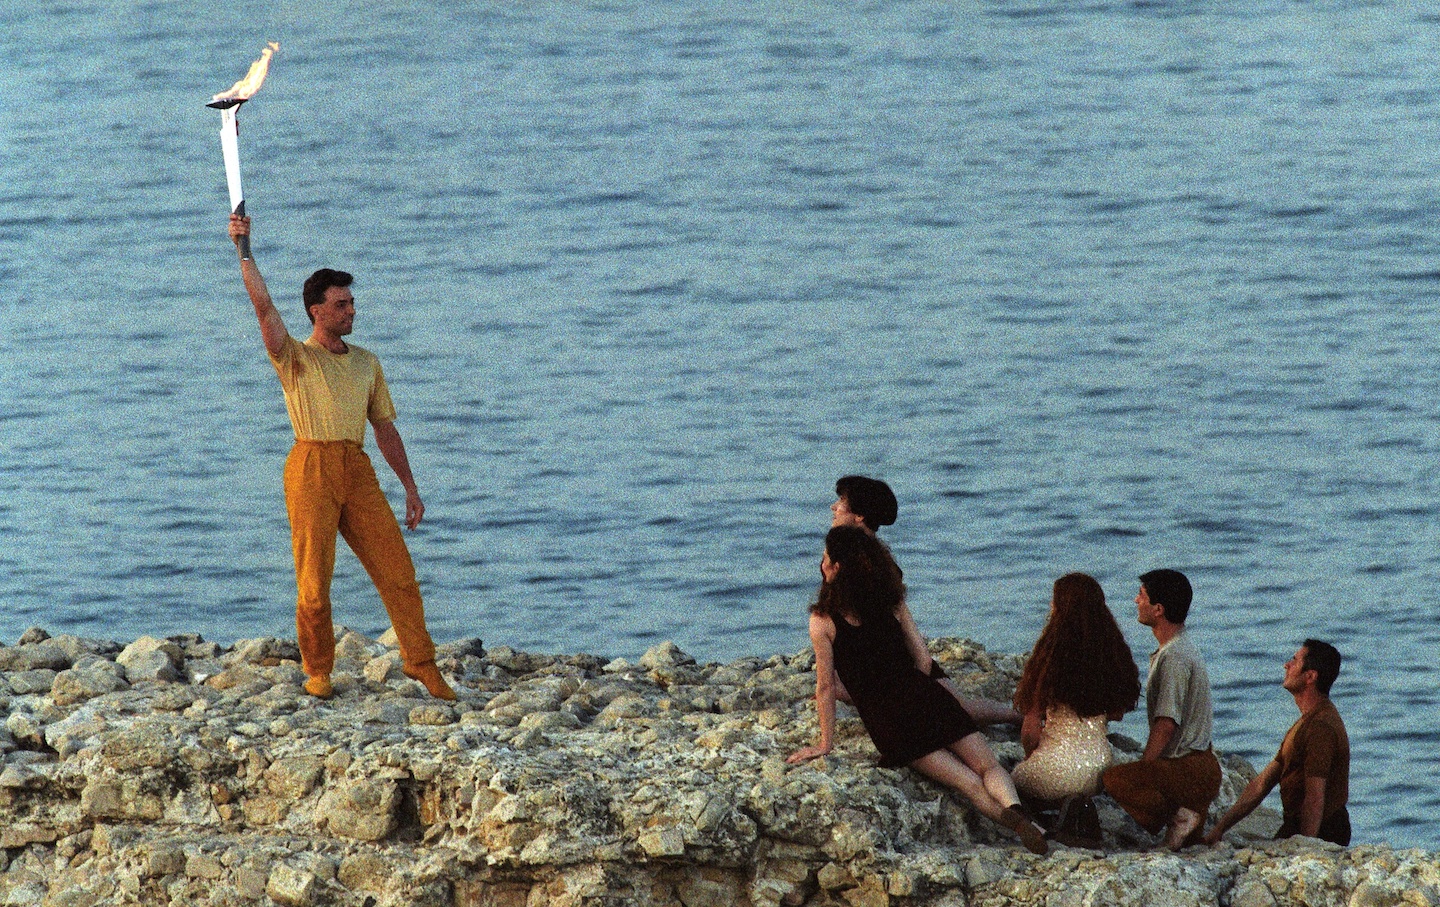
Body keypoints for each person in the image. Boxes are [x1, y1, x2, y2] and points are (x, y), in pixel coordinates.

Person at [228, 214, 455, 702]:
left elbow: (385, 429)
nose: (352, 310)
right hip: (310, 465)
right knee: (313, 582)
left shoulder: (367, 362)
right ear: (316, 311)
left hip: (357, 467)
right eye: (341, 304)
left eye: (352, 302)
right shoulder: (294, 356)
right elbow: (263, 307)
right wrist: (244, 250)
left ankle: (420, 662)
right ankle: (319, 672)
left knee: (398, 571)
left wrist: (411, 489)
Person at [787, 526, 1048, 855]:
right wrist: (917, 688)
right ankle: (1021, 814)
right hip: (926, 697)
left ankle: (1020, 826)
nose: (822, 564)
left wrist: (826, 743)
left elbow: (825, 687)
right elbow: (923, 660)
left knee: (968, 783)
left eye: (825, 559)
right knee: (989, 767)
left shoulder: (822, 621)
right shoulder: (891, 601)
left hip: (890, 722)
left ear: (836, 568)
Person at [829, 476, 1020, 727]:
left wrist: (922, 668)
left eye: (841, 501)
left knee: (958, 708)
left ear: (859, 516)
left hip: (896, 663)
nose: (833, 507)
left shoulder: (879, 565)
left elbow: (901, 622)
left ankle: (1020, 716)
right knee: (954, 707)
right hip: (871, 665)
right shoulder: (838, 550)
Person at [1011, 573, 1140, 842]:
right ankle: (1076, 807)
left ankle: (1050, 820)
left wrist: (1029, 756)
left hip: (1056, 767)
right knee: (1067, 778)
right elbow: (1116, 712)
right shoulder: (1111, 655)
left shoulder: (1050, 658)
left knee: (1011, 779)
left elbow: (1031, 729)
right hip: (1098, 770)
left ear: (1059, 606)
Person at [1100, 569, 1220, 850]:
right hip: (1200, 767)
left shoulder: (1174, 656)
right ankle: (1185, 819)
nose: (1135, 601)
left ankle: (1179, 816)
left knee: (1114, 779)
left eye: (1141, 596)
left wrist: (1144, 770)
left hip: (1190, 768)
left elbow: (1166, 724)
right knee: (1186, 846)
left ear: (1158, 609)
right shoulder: (1179, 648)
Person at [1203, 640, 1350, 846]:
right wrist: (1219, 829)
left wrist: (1305, 850)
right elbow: (1261, 785)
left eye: (1294, 660)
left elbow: (1315, 799)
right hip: (1297, 826)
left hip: (1324, 831)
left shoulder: (1320, 727)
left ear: (1310, 676)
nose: (1286, 665)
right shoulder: (1305, 722)